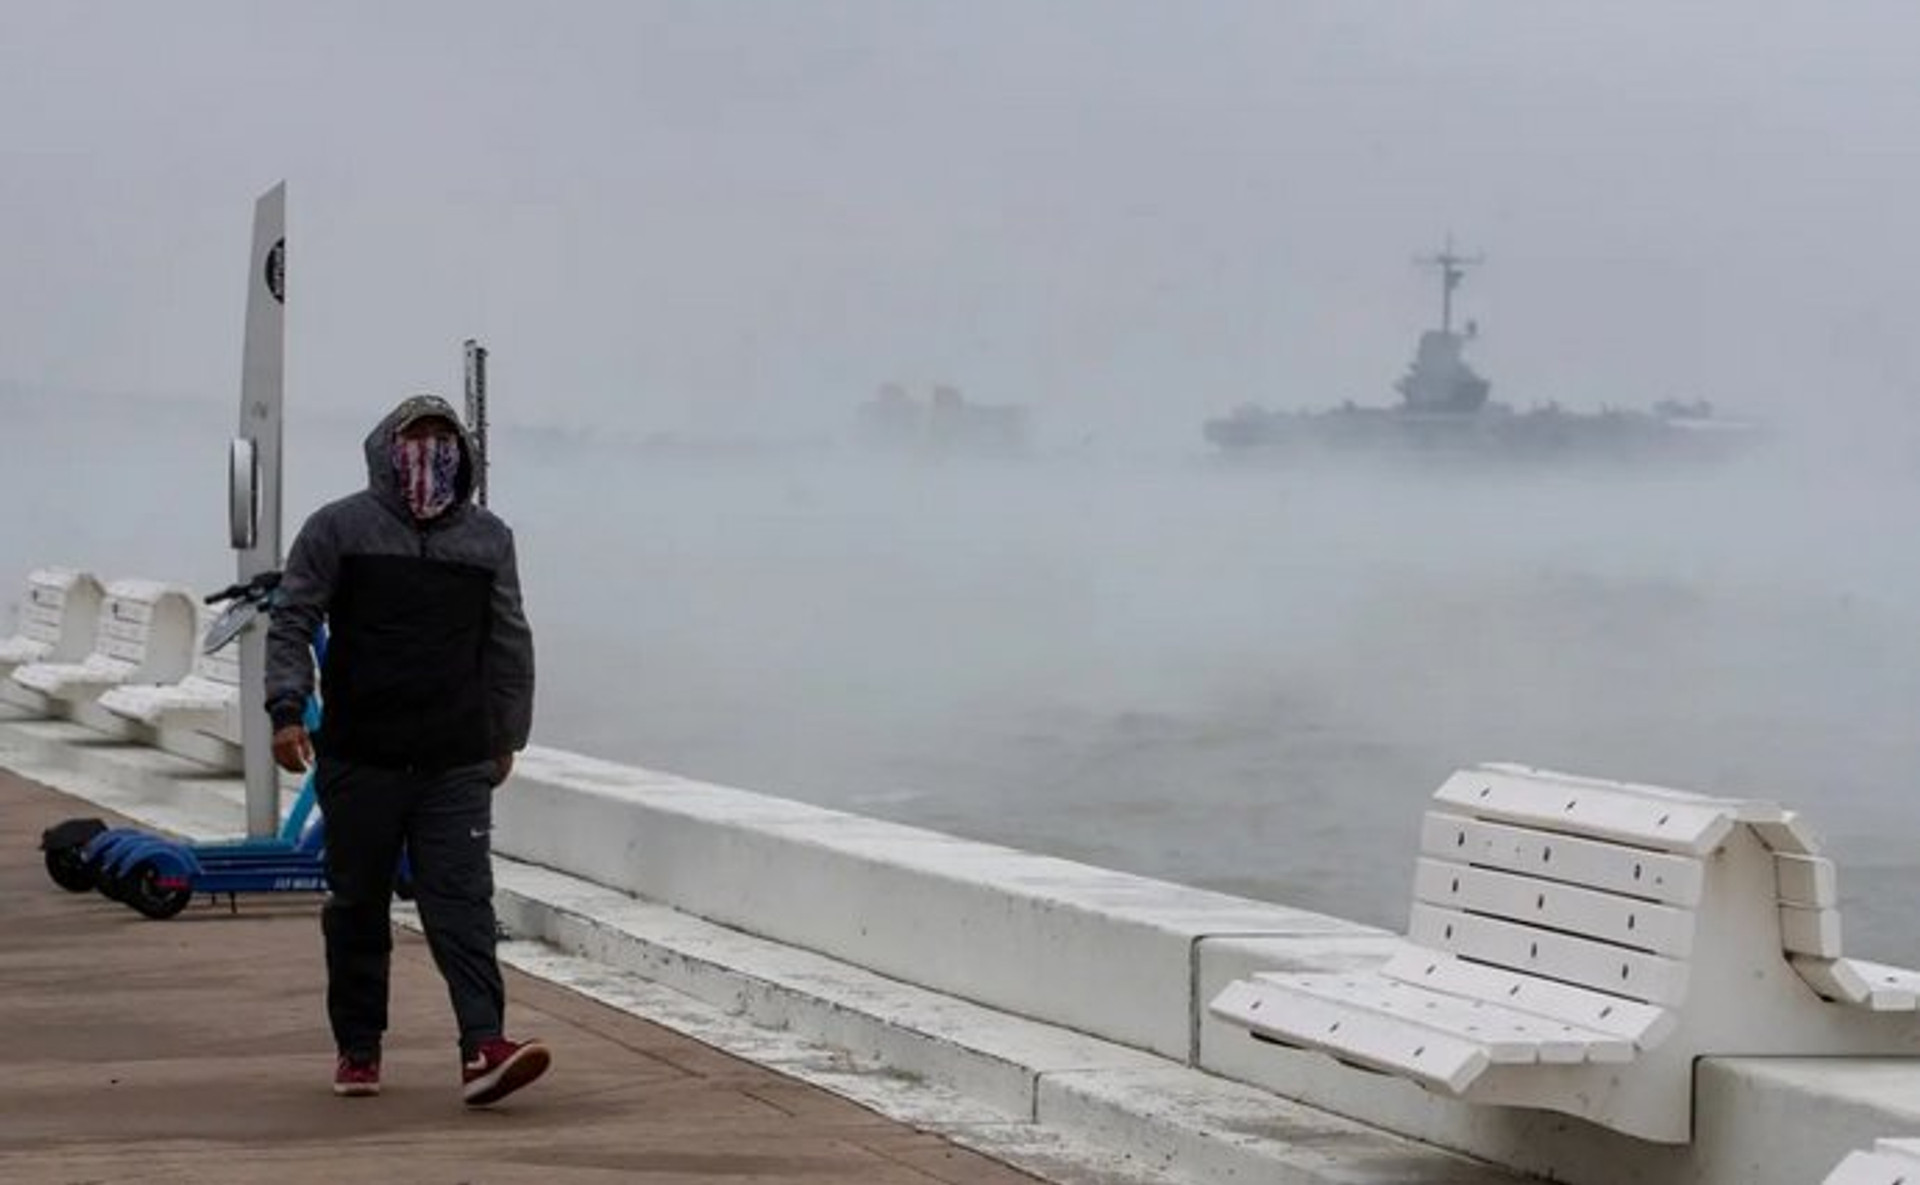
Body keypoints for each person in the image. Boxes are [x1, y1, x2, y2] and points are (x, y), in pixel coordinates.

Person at [265, 394, 547, 1105]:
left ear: (464, 454)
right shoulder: (338, 528)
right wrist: (287, 708)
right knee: (357, 901)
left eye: (442, 439)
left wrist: (507, 732)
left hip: (454, 757)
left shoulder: (489, 538)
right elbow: (293, 617)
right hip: (361, 754)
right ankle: (358, 1047)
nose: (430, 452)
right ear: (387, 449)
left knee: (463, 900)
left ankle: (483, 1046)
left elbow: (509, 637)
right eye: (416, 439)